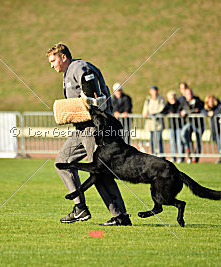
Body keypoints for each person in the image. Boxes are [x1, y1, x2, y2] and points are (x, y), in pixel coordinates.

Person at [47, 43, 131, 226]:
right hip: (81, 129)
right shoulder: (69, 71)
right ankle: (80, 209)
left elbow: (92, 87)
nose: (52, 65)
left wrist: (89, 98)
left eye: (53, 60)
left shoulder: (79, 67)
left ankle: (120, 216)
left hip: (94, 128)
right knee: (62, 161)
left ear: (63, 57)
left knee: (98, 170)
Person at [179, 88, 205, 163]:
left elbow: (202, 106)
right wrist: (181, 112)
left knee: (198, 141)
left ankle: (196, 158)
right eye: (187, 94)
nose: (189, 95)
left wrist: (196, 108)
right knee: (184, 133)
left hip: (199, 124)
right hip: (190, 123)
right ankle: (189, 150)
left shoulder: (197, 100)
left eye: (190, 93)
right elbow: (179, 109)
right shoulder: (184, 102)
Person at [160, 91, 184, 163]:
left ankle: (181, 157)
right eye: (170, 98)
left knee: (179, 142)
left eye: (173, 97)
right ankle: (173, 157)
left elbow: (181, 110)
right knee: (172, 142)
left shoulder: (179, 104)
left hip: (179, 126)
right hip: (171, 127)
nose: (172, 99)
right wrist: (168, 113)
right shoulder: (168, 105)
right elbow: (163, 112)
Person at [203, 95, 221, 163]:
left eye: (212, 101)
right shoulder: (208, 108)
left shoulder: (219, 105)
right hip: (214, 130)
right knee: (218, 144)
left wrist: (214, 113)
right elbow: (202, 111)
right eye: (209, 101)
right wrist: (208, 113)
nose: (210, 102)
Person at [142, 85, 165, 155]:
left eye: (155, 90)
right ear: (150, 92)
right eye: (152, 91)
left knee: (159, 140)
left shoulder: (160, 99)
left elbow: (162, 109)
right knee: (152, 140)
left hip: (158, 124)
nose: (154, 92)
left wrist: (154, 115)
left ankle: (161, 155)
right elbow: (145, 112)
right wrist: (147, 114)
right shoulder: (148, 100)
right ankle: (153, 154)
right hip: (150, 124)